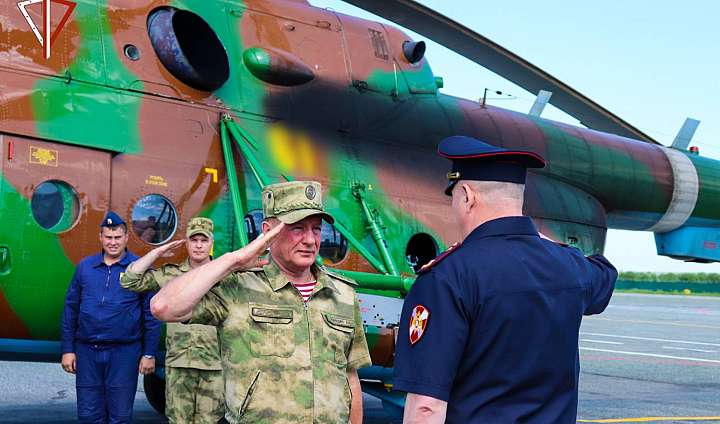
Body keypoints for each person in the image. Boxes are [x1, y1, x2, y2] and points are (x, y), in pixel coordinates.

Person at [393, 136, 618, 423]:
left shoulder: (446, 278)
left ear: (467, 196)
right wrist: (546, 244)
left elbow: (426, 406)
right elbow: (605, 274)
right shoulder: (570, 266)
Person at [150, 181, 371, 424]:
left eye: (316, 229)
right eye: (297, 228)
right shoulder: (238, 287)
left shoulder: (342, 294)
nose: (310, 239)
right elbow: (163, 306)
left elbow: (349, 375)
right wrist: (234, 261)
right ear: (267, 231)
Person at [60, 211, 162, 423]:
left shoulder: (139, 269)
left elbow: (151, 315)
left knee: (120, 416)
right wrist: (68, 350)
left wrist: (149, 353)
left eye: (117, 237)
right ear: (100, 237)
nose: (113, 242)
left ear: (126, 238)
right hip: (87, 352)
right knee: (88, 415)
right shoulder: (85, 267)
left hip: (124, 353)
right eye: (108, 237)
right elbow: (70, 310)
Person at [121, 217, 224, 424]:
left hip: (214, 366)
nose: (198, 245)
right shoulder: (171, 274)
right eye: (194, 240)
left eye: (204, 240)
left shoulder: (224, 275)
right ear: (186, 243)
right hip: (179, 364)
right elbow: (129, 281)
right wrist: (157, 252)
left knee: (210, 421)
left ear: (211, 243)